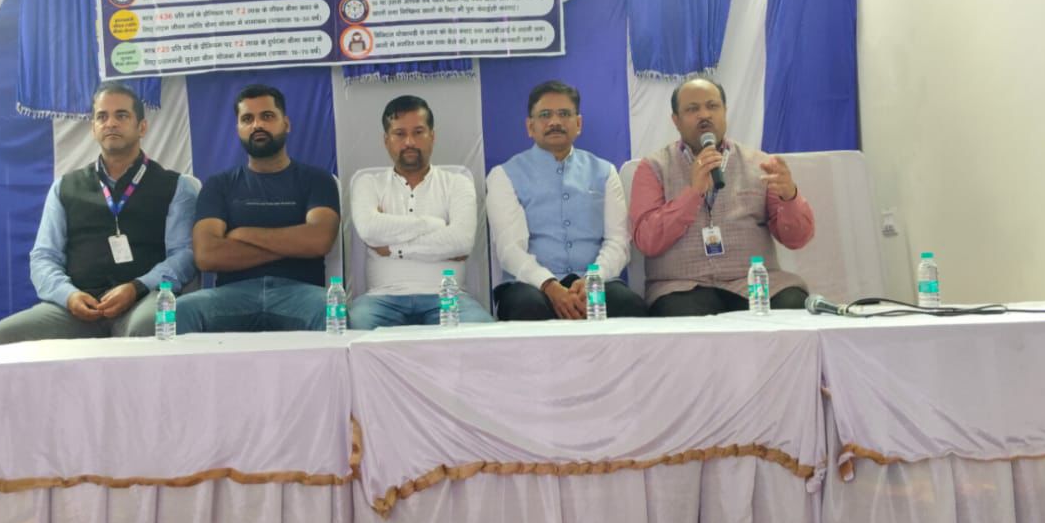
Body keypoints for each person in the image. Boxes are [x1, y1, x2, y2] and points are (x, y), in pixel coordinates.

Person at [0, 82, 198, 344]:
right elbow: (43, 256)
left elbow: (184, 255)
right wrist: (68, 295)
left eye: (122, 115)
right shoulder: (64, 187)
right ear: (93, 128)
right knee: (5, 336)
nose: (111, 123)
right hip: (80, 306)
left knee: (151, 324)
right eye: (102, 117)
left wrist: (137, 287)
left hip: (143, 299)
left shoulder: (176, 186)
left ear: (142, 127)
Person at [629, 78, 815, 316]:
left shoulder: (760, 164)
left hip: (754, 282)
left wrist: (790, 197)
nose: (704, 115)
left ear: (725, 112)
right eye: (692, 109)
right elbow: (647, 241)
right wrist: (692, 193)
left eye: (712, 106)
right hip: (682, 287)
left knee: (794, 307)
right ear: (676, 120)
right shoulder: (653, 168)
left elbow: (797, 239)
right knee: (684, 320)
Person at [175, 84, 340, 332]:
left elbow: (319, 240)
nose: (257, 125)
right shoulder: (219, 185)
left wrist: (243, 234)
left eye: (267, 116)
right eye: (247, 119)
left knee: (331, 308)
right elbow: (207, 255)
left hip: (301, 293)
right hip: (232, 295)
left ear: (286, 124)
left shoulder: (318, 180)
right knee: (180, 311)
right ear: (238, 129)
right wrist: (294, 245)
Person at [487, 81, 647, 320]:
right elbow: (510, 249)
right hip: (531, 285)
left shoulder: (604, 172)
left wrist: (593, 280)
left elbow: (618, 242)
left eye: (564, 114)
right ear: (530, 126)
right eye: (545, 115)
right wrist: (549, 285)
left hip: (595, 281)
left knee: (629, 306)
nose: (555, 122)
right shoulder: (505, 175)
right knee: (526, 308)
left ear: (578, 124)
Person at [349, 95, 492, 327]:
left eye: (418, 132)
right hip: (381, 299)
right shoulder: (368, 183)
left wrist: (394, 249)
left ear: (432, 136)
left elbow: (461, 241)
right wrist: (434, 224)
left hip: (449, 297)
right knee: (354, 329)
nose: (409, 142)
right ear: (386, 140)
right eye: (399, 134)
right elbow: (370, 230)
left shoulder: (457, 183)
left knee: (480, 332)